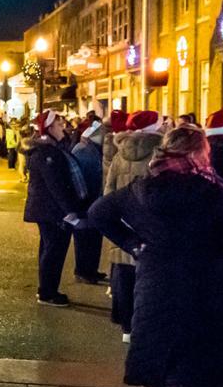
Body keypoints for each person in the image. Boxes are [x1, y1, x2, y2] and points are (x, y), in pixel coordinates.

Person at [89, 124, 223, 387]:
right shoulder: (211, 193)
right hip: (205, 285)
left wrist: (135, 244)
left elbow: (98, 213)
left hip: (158, 285)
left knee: (171, 358)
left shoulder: (141, 189)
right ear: (196, 153)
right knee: (215, 360)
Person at [103, 110, 164, 341]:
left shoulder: (120, 154)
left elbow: (109, 189)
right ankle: (143, 325)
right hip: (148, 223)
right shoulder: (159, 153)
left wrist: (115, 216)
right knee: (147, 276)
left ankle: (126, 326)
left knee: (122, 272)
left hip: (122, 218)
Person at [23, 110, 88, 307]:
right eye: (60, 125)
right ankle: (47, 292)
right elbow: (56, 186)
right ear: (50, 128)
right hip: (51, 212)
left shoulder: (52, 149)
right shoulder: (46, 153)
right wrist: (70, 211)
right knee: (53, 251)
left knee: (51, 250)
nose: (64, 128)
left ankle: (48, 289)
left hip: (50, 210)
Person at [69, 116, 107, 284]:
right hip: (87, 199)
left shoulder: (91, 149)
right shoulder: (83, 150)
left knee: (94, 236)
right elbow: (83, 177)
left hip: (93, 198)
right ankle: (83, 270)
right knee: (85, 237)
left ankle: (90, 269)